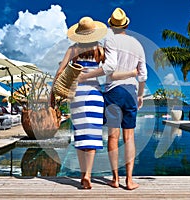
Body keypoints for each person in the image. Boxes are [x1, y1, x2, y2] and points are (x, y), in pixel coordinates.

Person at [50, 16, 136, 189]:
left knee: (80, 134)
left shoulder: (73, 49)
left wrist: (52, 94)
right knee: (92, 135)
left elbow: (59, 72)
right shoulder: (100, 50)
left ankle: (83, 175)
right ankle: (88, 174)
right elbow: (113, 67)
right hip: (95, 95)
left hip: (78, 96)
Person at [79, 8, 147, 190]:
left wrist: (86, 76)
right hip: (131, 92)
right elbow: (143, 76)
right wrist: (140, 95)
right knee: (129, 137)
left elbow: (109, 67)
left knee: (113, 136)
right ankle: (130, 180)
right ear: (126, 25)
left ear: (111, 24)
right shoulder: (138, 44)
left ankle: (115, 178)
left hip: (114, 91)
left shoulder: (110, 39)